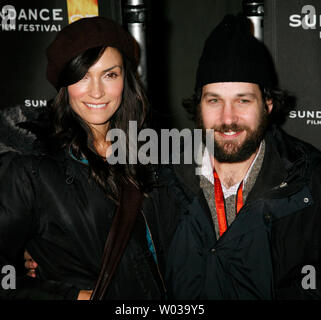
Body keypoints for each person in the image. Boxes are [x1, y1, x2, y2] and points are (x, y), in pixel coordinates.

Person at [0, 16, 166, 300]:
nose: (97, 91)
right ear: (64, 84)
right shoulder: (31, 168)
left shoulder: (154, 154)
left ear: (125, 78)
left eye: (109, 74)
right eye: (83, 75)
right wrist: (69, 297)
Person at [156, 14, 321, 299]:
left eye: (243, 100)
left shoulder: (310, 180)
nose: (227, 118)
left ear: (268, 105)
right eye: (214, 100)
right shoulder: (161, 181)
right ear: (199, 106)